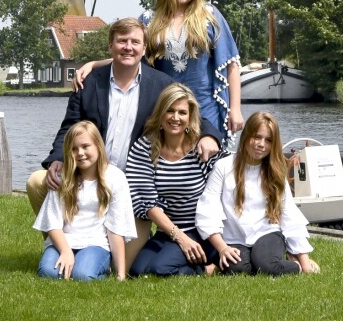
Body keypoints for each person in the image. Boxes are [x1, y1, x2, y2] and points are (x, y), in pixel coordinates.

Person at [26, 18, 222, 269]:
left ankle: (103, 250)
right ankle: (62, 247)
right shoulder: (88, 83)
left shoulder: (160, 84)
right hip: (88, 174)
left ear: (143, 48)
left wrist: (208, 135)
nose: (128, 47)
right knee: (36, 181)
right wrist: (58, 158)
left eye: (135, 42)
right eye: (122, 41)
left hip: (130, 185)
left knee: (126, 269)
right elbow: (69, 126)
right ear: (111, 46)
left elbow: (187, 110)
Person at [74, 0, 243, 138]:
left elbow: (230, 64)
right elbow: (132, 56)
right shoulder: (150, 19)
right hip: (165, 106)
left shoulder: (210, 17)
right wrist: (94, 64)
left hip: (204, 106)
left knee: (206, 155)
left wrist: (235, 108)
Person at [195, 111, 320, 276]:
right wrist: (223, 248)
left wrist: (304, 263)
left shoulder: (275, 171)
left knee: (267, 265)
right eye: (256, 137)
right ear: (246, 136)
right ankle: (227, 265)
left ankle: (293, 265)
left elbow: (289, 215)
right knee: (237, 270)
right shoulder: (223, 167)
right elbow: (207, 211)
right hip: (234, 239)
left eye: (268, 140)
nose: (261, 144)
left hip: (267, 233)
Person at [125, 83, 229, 277]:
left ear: (190, 117)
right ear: (160, 113)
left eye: (182, 113)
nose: (175, 118)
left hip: (202, 230)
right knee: (138, 272)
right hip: (169, 230)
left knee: (159, 270)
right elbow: (147, 203)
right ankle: (200, 261)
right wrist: (179, 236)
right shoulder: (144, 148)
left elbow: (232, 175)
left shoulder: (203, 147)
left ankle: (207, 267)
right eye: (170, 111)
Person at [33, 121, 137, 281]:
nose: (80, 153)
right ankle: (69, 259)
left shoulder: (115, 177)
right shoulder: (63, 176)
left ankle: (99, 267)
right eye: (74, 149)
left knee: (83, 275)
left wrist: (121, 273)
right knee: (48, 273)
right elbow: (52, 223)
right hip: (64, 240)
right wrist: (65, 251)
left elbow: (116, 227)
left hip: (95, 243)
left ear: (98, 145)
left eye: (85, 146)